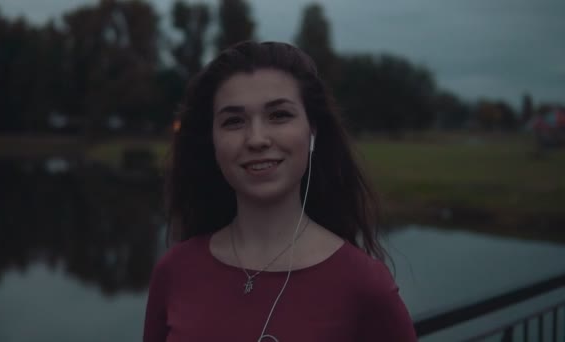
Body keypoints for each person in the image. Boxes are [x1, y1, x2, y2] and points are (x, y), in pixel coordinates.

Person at [143, 41, 417, 341]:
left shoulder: (364, 284)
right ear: (212, 140)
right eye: (233, 121)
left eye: (279, 115)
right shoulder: (175, 271)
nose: (257, 139)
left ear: (312, 130)